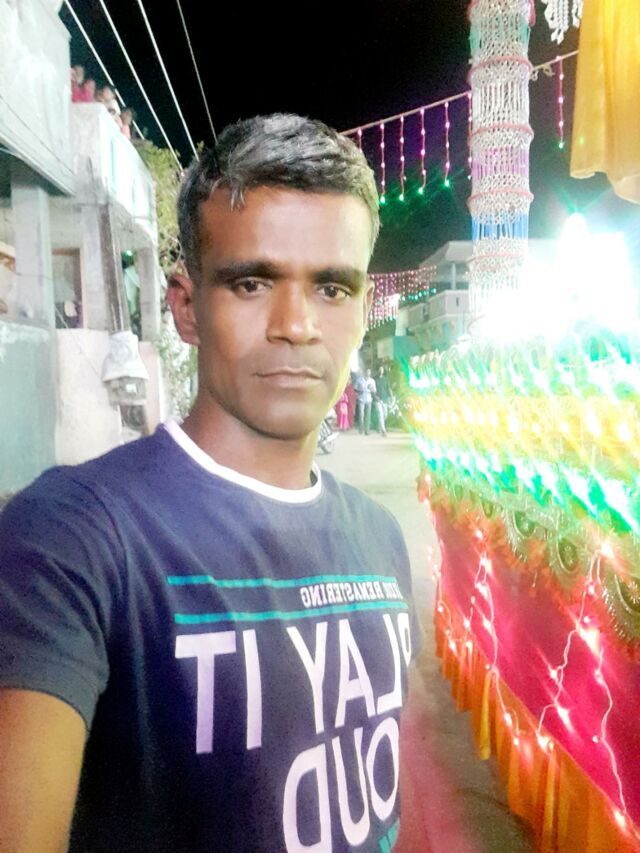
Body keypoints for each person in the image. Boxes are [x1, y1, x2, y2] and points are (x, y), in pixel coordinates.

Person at [0, 113, 420, 853]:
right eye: (252, 282)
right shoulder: (75, 538)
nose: (296, 324)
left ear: (362, 311)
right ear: (186, 306)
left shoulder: (381, 539)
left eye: (331, 287)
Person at [356, 367, 376, 435]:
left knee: (368, 416)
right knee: (361, 415)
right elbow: (355, 389)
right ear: (365, 372)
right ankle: (361, 429)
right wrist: (359, 391)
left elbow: (374, 391)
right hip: (361, 399)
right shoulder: (359, 380)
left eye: (369, 372)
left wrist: (371, 388)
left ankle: (367, 430)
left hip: (368, 399)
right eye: (367, 372)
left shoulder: (372, 381)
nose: (368, 373)